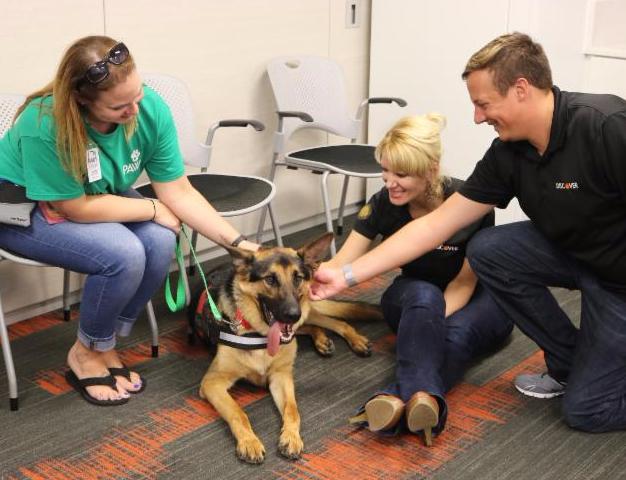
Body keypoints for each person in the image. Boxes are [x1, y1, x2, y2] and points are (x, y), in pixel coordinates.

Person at [311, 32, 626, 433]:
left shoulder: (605, 125)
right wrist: (344, 275)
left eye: (483, 104)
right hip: (575, 253)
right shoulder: (508, 152)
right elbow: (435, 225)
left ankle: (594, 377)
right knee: (489, 249)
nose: (478, 117)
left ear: (521, 89)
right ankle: (571, 363)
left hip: (618, 281)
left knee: (587, 411)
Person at [0, 36, 257, 406]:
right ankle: (86, 353)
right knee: (124, 254)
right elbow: (74, 208)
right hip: (18, 205)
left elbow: (178, 192)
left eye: (137, 95)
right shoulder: (44, 122)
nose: (135, 110)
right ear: (82, 100)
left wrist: (241, 245)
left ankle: (99, 344)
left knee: (160, 241)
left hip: (91, 194)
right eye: (120, 106)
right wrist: (152, 208)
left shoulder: (148, 107)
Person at [324, 114, 512, 446]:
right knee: (426, 298)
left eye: (401, 174)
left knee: (455, 335)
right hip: (415, 297)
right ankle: (420, 398)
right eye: (385, 171)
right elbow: (340, 264)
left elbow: (463, 285)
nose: (389, 182)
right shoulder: (383, 203)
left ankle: (394, 401)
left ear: (431, 170)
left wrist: (428, 327)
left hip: (472, 296)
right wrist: (303, 281)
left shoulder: (469, 202)